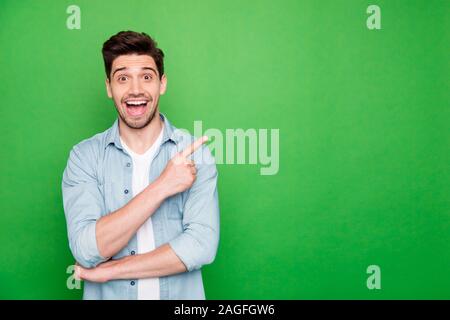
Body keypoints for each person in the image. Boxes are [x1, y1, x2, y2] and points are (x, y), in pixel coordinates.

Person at [61, 30, 220, 300]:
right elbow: (87, 249)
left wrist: (111, 270)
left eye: (146, 77)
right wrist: (163, 186)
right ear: (109, 87)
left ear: (162, 84)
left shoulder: (195, 154)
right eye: (123, 78)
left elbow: (201, 246)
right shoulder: (84, 157)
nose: (136, 90)